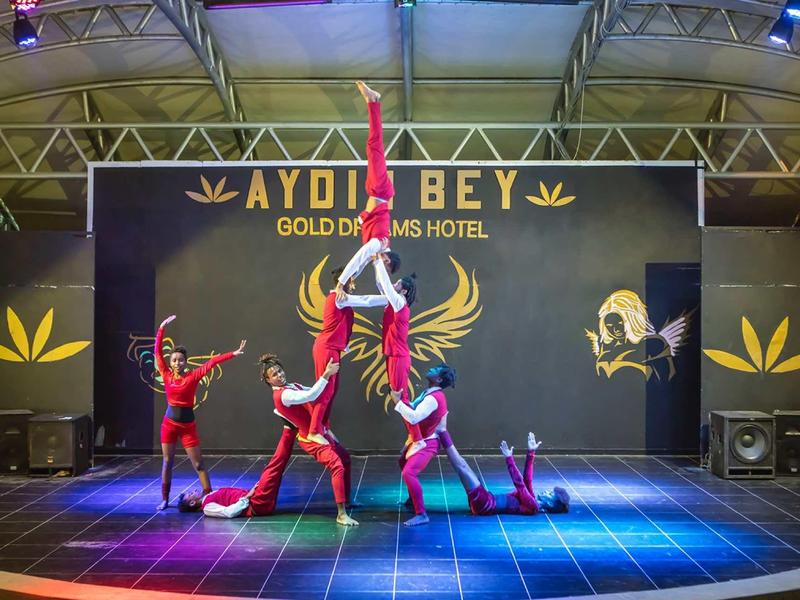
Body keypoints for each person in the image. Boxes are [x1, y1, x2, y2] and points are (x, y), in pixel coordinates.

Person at [154, 315, 245, 510]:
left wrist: (233, 353)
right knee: (167, 461)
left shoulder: (193, 376)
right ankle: (164, 499)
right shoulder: (166, 373)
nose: (178, 363)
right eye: (175, 360)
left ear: (186, 362)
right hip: (169, 425)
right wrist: (161, 329)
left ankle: (208, 496)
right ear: (171, 363)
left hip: (188, 426)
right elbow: (157, 353)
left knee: (199, 465)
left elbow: (212, 362)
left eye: (181, 360)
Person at [259, 353, 358, 526]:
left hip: (320, 431)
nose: (279, 375)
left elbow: (316, 391)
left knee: (345, 459)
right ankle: (341, 514)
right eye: (274, 375)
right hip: (310, 439)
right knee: (337, 465)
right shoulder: (283, 396)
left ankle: (347, 501)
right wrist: (326, 374)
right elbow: (312, 395)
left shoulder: (292, 386)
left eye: (279, 371)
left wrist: (336, 360)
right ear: (268, 381)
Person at [306, 266, 390, 446]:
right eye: (352, 279)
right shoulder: (338, 297)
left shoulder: (342, 298)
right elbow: (366, 301)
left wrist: (371, 260)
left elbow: (356, 270)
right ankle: (313, 431)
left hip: (332, 349)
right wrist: (391, 297)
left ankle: (322, 426)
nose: (355, 282)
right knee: (326, 390)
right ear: (345, 280)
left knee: (332, 390)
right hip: (326, 348)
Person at [335, 81, 398, 300]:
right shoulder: (379, 243)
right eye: (385, 262)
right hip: (380, 190)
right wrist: (343, 282)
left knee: (373, 147)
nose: (380, 262)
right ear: (386, 257)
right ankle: (373, 101)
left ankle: (373, 101)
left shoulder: (376, 247)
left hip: (375, 191)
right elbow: (362, 256)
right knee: (374, 145)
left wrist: (351, 280)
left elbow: (364, 264)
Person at [177, 419, 298, 518]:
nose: (193, 491)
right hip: (255, 503)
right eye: (190, 494)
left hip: (257, 500)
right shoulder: (207, 508)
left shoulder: (210, 496)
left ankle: (292, 429)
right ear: (192, 503)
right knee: (274, 467)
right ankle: (290, 429)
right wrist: (248, 497)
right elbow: (229, 512)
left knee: (275, 469)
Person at [438, 430, 570, 515]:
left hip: (485, 505)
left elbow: (520, 485)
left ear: (551, 503)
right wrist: (531, 452)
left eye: (550, 494)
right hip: (486, 500)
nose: (546, 491)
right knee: (464, 468)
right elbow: (527, 480)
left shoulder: (533, 506)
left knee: (462, 466)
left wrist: (509, 459)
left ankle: (441, 431)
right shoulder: (532, 499)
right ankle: (441, 433)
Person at [374, 255, 425, 459]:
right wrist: (376, 262)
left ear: (403, 290)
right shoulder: (393, 301)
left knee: (399, 398)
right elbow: (381, 283)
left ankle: (417, 438)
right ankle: (414, 435)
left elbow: (386, 285)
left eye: (397, 283)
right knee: (398, 397)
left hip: (398, 356)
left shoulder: (399, 302)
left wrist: (379, 260)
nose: (393, 284)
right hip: (392, 355)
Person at [390, 363, 454, 526]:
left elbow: (414, 418)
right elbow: (413, 410)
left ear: (438, 379)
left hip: (428, 443)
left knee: (408, 472)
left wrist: (397, 403)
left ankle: (421, 514)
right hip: (422, 439)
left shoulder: (433, 398)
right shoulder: (429, 393)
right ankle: (413, 498)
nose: (431, 369)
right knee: (403, 461)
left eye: (435, 370)